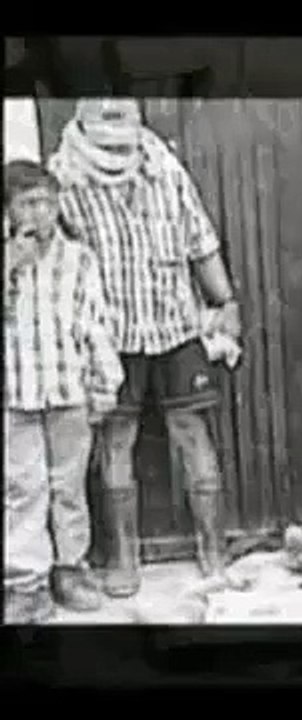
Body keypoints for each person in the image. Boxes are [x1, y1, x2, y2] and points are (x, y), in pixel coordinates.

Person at [47, 98, 244, 598]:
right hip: (109, 335)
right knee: (116, 439)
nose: (117, 154)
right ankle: (123, 559)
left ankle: (214, 551)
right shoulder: (62, 180)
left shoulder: (164, 169)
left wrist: (226, 302)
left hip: (176, 325)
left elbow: (201, 241)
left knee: (192, 431)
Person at [4, 160, 125, 623]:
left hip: (67, 391)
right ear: (9, 210)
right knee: (23, 489)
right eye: (28, 203)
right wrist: (10, 265)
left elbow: (95, 324)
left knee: (68, 487)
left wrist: (105, 381)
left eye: (47, 202)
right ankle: (26, 584)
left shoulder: (79, 259)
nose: (40, 212)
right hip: (16, 396)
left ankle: (70, 570)